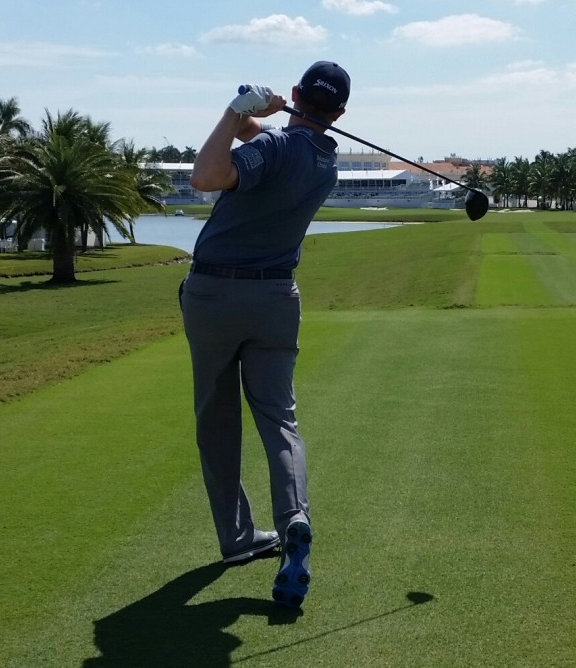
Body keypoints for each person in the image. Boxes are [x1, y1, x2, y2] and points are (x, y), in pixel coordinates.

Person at [180, 61, 351, 608]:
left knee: (218, 419)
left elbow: (205, 177)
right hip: (277, 300)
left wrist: (235, 111)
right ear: (340, 114)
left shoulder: (278, 150)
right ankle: (293, 519)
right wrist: (258, 119)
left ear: (297, 94)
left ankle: (236, 538)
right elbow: (271, 146)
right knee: (280, 420)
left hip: (215, 295)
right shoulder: (325, 165)